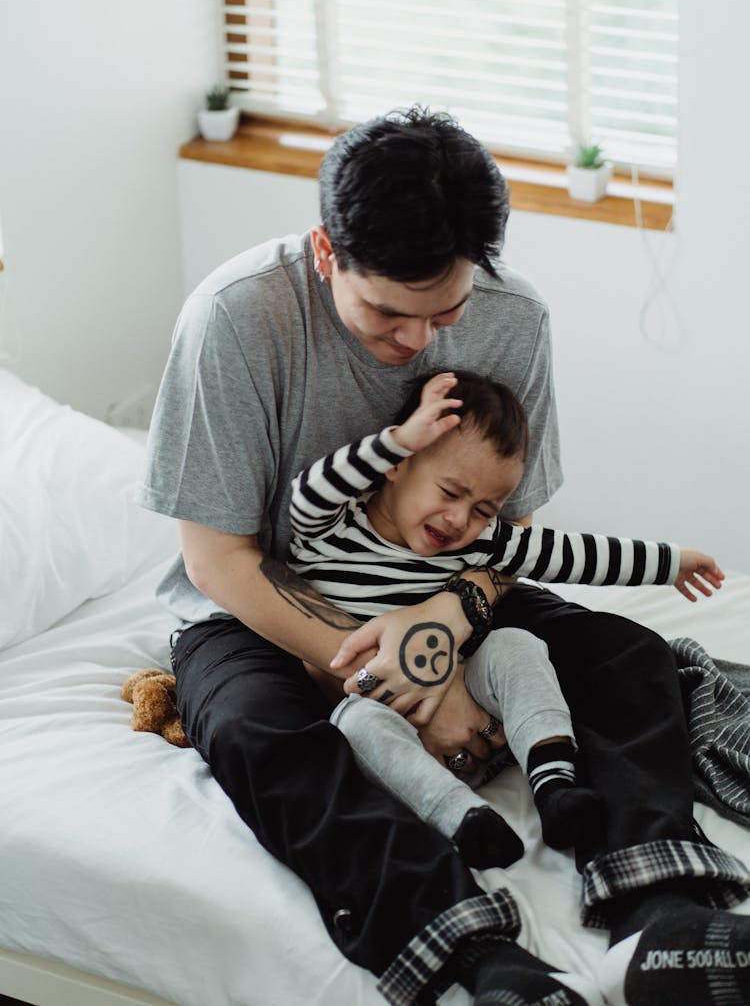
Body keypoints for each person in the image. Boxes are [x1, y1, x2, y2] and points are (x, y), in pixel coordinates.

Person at [138, 106, 750, 1006]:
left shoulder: (514, 319)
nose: (418, 343)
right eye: (387, 313)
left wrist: (444, 621)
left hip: (438, 588)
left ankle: (654, 912)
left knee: (631, 656)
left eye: (446, 311)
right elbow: (218, 559)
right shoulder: (236, 320)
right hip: (264, 606)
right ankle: (478, 957)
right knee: (254, 734)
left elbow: (516, 536)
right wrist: (410, 676)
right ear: (324, 252)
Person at [288, 368, 724, 873]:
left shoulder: (479, 540)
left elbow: (573, 554)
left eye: (483, 508)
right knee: (355, 721)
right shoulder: (332, 525)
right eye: (449, 492)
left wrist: (672, 564)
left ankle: (554, 781)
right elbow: (309, 491)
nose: (459, 520)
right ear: (397, 465)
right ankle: (467, 821)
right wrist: (399, 439)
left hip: (479, 716)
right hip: (393, 729)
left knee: (514, 642)